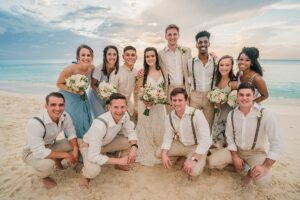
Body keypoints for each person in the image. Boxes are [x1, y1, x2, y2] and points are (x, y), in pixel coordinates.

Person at [207, 83, 282, 186]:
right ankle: (242, 167)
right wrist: (235, 156)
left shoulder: (265, 113)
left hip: (255, 153)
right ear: (237, 97)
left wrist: (265, 166)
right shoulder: (232, 114)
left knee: (264, 181)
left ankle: (248, 171)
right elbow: (230, 137)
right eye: (241, 95)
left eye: (248, 95)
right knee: (212, 162)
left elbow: (276, 143)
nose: (244, 98)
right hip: (236, 150)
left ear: (254, 96)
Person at [79, 93, 138, 188]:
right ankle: (84, 176)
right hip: (88, 146)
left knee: (130, 142)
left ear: (126, 107)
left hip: (106, 143)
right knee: (94, 170)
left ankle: (119, 164)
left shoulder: (124, 116)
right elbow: (93, 156)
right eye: (116, 107)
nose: (119, 111)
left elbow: (130, 132)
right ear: (109, 107)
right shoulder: (100, 124)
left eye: (122, 107)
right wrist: (119, 160)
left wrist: (134, 147)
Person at [22, 92, 79, 189]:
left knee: (79, 142)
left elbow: (71, 133)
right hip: (31, 152)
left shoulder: (65, 116)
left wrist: (75, 149)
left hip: (50, 145)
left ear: (64, 105)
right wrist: (66, 155)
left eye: (61, 105)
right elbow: (39, 152)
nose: (57, 108)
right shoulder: (35, 123)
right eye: (53, 105)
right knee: (48, 165)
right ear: (46, 106)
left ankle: (56, 160)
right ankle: (42, 176)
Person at [159, 88, 211, 178]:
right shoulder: (169, 117)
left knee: (194, 172)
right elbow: (167, 137)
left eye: (180, 100)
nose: (177, 103)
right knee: (159, 153)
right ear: (171, 101)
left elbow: (206, 139)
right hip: (181, 144)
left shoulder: (197, 114)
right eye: (174, 100)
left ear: (186, 101)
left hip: (196, 147)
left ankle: (199, 158)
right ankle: (183, 157)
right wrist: (163, 154)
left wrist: (194, 159)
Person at [135, 47, 167, 166]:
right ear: (145, 58)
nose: (150, 58)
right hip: (146, 105)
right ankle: (147, 150)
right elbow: (139, 90)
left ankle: (159, 149)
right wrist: (145, 100)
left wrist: (159, 98)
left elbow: (164, 89)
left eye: (152, 56)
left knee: (159, 126)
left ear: (156, 57)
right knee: (147, 128)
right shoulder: (143, 72)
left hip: (158, 106)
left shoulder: (162, 71)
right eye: (147, 56)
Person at [56, 44, 95, 139]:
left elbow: (93, 84)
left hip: (82, 96)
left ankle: (86, 142)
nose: (86, 58)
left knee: (86, 119)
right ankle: (75, 145)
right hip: (69, 97)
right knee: (74, 121)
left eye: (88, 55)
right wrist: (73, 90)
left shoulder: (92, 68)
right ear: (78, 57)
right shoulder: (70, 69)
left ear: (92, 57)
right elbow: (59, 83)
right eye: (83, 55)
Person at [186, 30, 217, 129]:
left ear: (209, 44)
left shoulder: (216, 61)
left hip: (210, 97)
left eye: (205, 42)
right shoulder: (190, 62)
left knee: (208, 125)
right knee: (193, 123)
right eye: (200, 42)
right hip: (195, 96)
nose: (203, 44)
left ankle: (207, 143)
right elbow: (184, 78)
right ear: (196, 45)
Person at [211, 55, 237, 149]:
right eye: (221, 65)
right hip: (217, 113)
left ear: (231, 66)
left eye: (227, 65)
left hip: (228, 115)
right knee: (216, 135)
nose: (224, 68)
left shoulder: (233, 83)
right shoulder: (215, 80)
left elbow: (237, 103)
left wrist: (225, 100)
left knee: (227, 137)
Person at [87, 45, 119, 119]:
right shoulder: (99, 68)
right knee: (100, 118)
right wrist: (102, 95)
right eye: (109, 54)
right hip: (95, 97)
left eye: (114, 54)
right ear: (105, 56)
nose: (112, 57)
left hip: (107, 98)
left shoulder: (117, 69)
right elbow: (93, 84)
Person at [109, 46, 138, 120]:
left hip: (130, 108)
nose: (130, 57)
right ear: (123, 57)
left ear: (136, 57)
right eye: (127, 55)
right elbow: (111, 95)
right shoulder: (116, 73)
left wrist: (136, 107)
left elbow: (136, 91)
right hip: (117, 110)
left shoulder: (135, 72)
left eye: (133, 55)